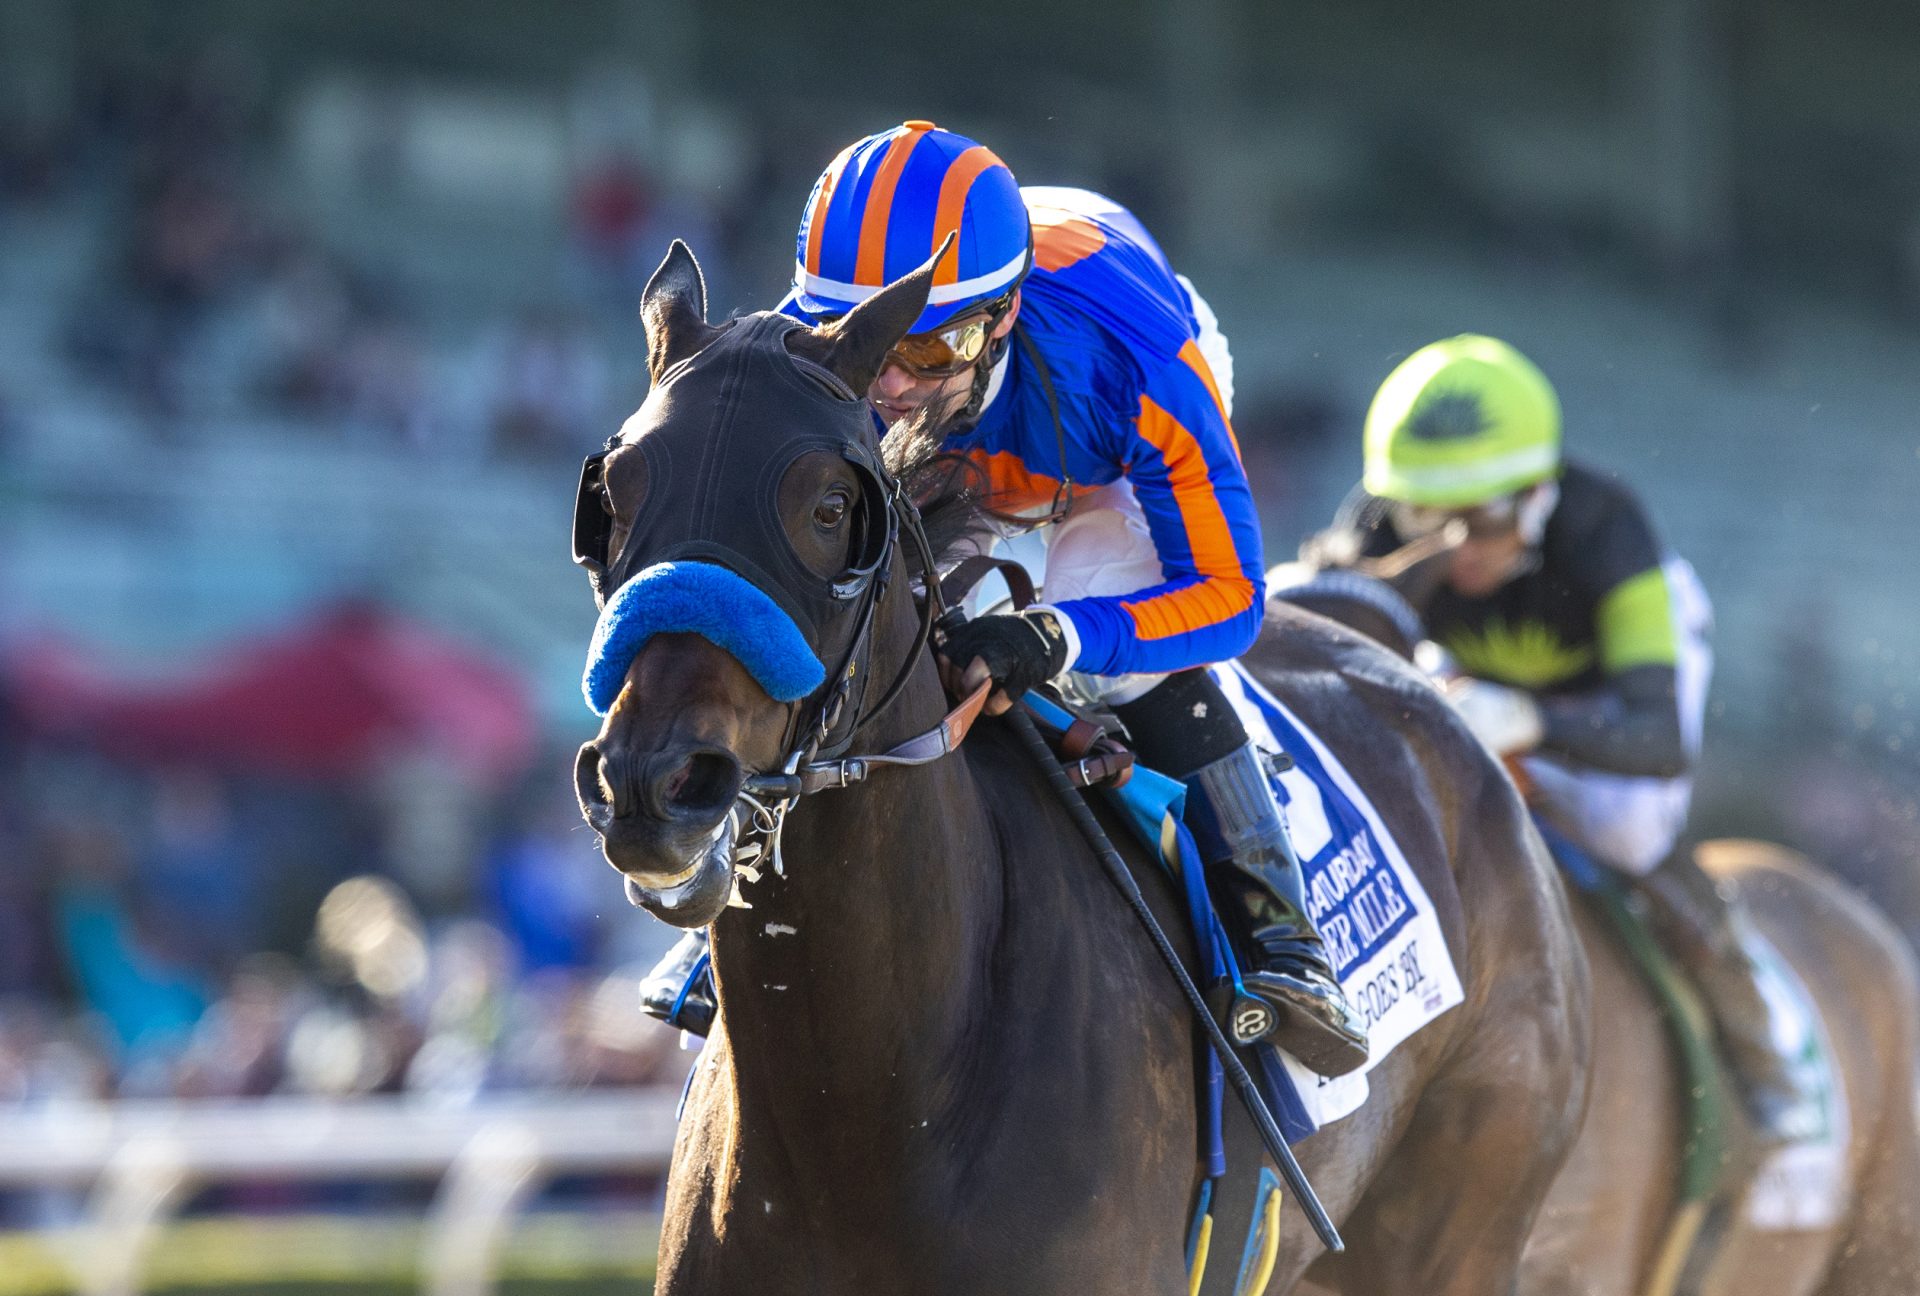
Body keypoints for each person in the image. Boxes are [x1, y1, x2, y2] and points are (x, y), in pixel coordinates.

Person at [641, 121, 1368, 1078]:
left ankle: (1278, 928)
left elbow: (1230, 599)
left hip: (1098, 436)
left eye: (931, 348)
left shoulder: (1136, 366)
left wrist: (1059, 639)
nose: (890, 383)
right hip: (989, 423)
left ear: (1000, 320)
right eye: (865, 343)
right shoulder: (824, 348)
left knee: (1100, 594)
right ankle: (733, 888)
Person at [1316, 332, 1799, 1142]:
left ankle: (1751, 1029)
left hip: (1608, 701)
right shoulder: (1377, 525)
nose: (1453, 547)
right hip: (1472, 692)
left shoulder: (1608, 532)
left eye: (1484, 517)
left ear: (1538, 495)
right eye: (1422, 516)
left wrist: (1533, 720)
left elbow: (1658, 738)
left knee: (1626, 826)